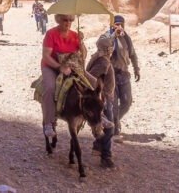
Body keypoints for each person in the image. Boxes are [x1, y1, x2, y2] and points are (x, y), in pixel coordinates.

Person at [40, 14, 82, 138]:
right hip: (51, 66)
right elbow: (46, 56)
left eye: (70, 20)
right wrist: (59, 67)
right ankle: (48, 122)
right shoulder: (51, 34)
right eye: (65, 20)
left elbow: (82, 56)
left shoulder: (75, 35)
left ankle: (99, 115)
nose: (68, 22)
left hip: (70, 66)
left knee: (94, 83)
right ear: (59, 20)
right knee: (50, 88)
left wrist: (82, 42)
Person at [87, 35, 117, 169]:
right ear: (109, 49)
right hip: (103, 100)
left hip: (107, 98)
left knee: (110, 127)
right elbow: (91, 78)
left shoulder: (100, 58)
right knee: (110, 129)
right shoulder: (103, 62)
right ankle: (104, 155)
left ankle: (102, 151)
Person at [108, 15, 140, 138]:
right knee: (114, 104)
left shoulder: (126, 38)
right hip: (111, 75)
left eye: (121, 24)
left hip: (124, 73)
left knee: (127, 102)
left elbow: (132, 54)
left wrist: (136, 68)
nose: (119, 26)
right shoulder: (108, 37)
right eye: (116, 24)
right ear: (112, 25)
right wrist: (113, 35)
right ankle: (115, 127)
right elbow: (102, 46)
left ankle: (114, 120)